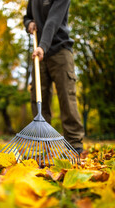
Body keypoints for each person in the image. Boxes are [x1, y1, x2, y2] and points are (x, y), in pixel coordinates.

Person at [23, 0, 84, 154]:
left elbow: (53, 21)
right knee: (37, 95)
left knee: (66, 96)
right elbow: (28, 16)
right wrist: (28, 23)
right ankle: (43, 143)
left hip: (60, 50)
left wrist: (43, 46)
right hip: (40, 52)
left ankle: (74, 144)